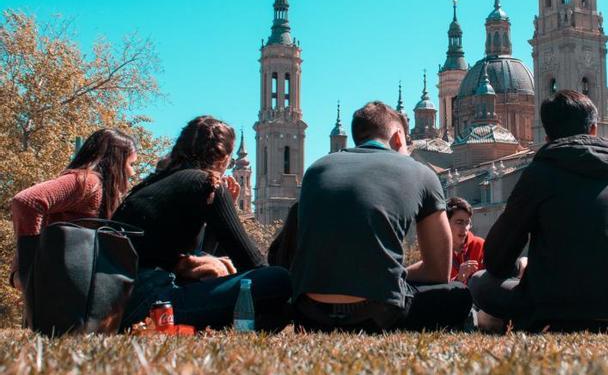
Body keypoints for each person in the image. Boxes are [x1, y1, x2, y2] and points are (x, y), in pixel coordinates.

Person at [469, 90, 608, 332]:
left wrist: (524, 270)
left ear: (547, 136)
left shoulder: (539, 173)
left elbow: (496, 259)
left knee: (479, 282)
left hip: (558, 308)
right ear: (593, 129)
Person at [289, 101, 472, 332]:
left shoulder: (316, 169)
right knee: (458, 294)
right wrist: (393, 272)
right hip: (377, 313)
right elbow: (438, 272)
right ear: (397, 137)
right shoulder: (421, 173)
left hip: (310, 313)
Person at [114, 116, 292, 332]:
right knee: (279, 280)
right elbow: (253, 264)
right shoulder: (208, 184)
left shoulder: (152, 182)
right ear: (223, 158)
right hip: (152, 304)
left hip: (115, 298)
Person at [10, 128, 137, 290]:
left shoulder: (96, 188)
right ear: (116, 161)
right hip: (60, 292)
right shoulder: (89, 182)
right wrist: (29, 265)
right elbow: (26, 201)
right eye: (131, 164)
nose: (132, 172)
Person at [446, 197, 485, 284]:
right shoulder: (438, 252)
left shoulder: (480, 245)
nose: (465, 228)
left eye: (467, 222)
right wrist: (458, 279)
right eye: (459, 222)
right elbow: (436, 291)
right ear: (446, 223)